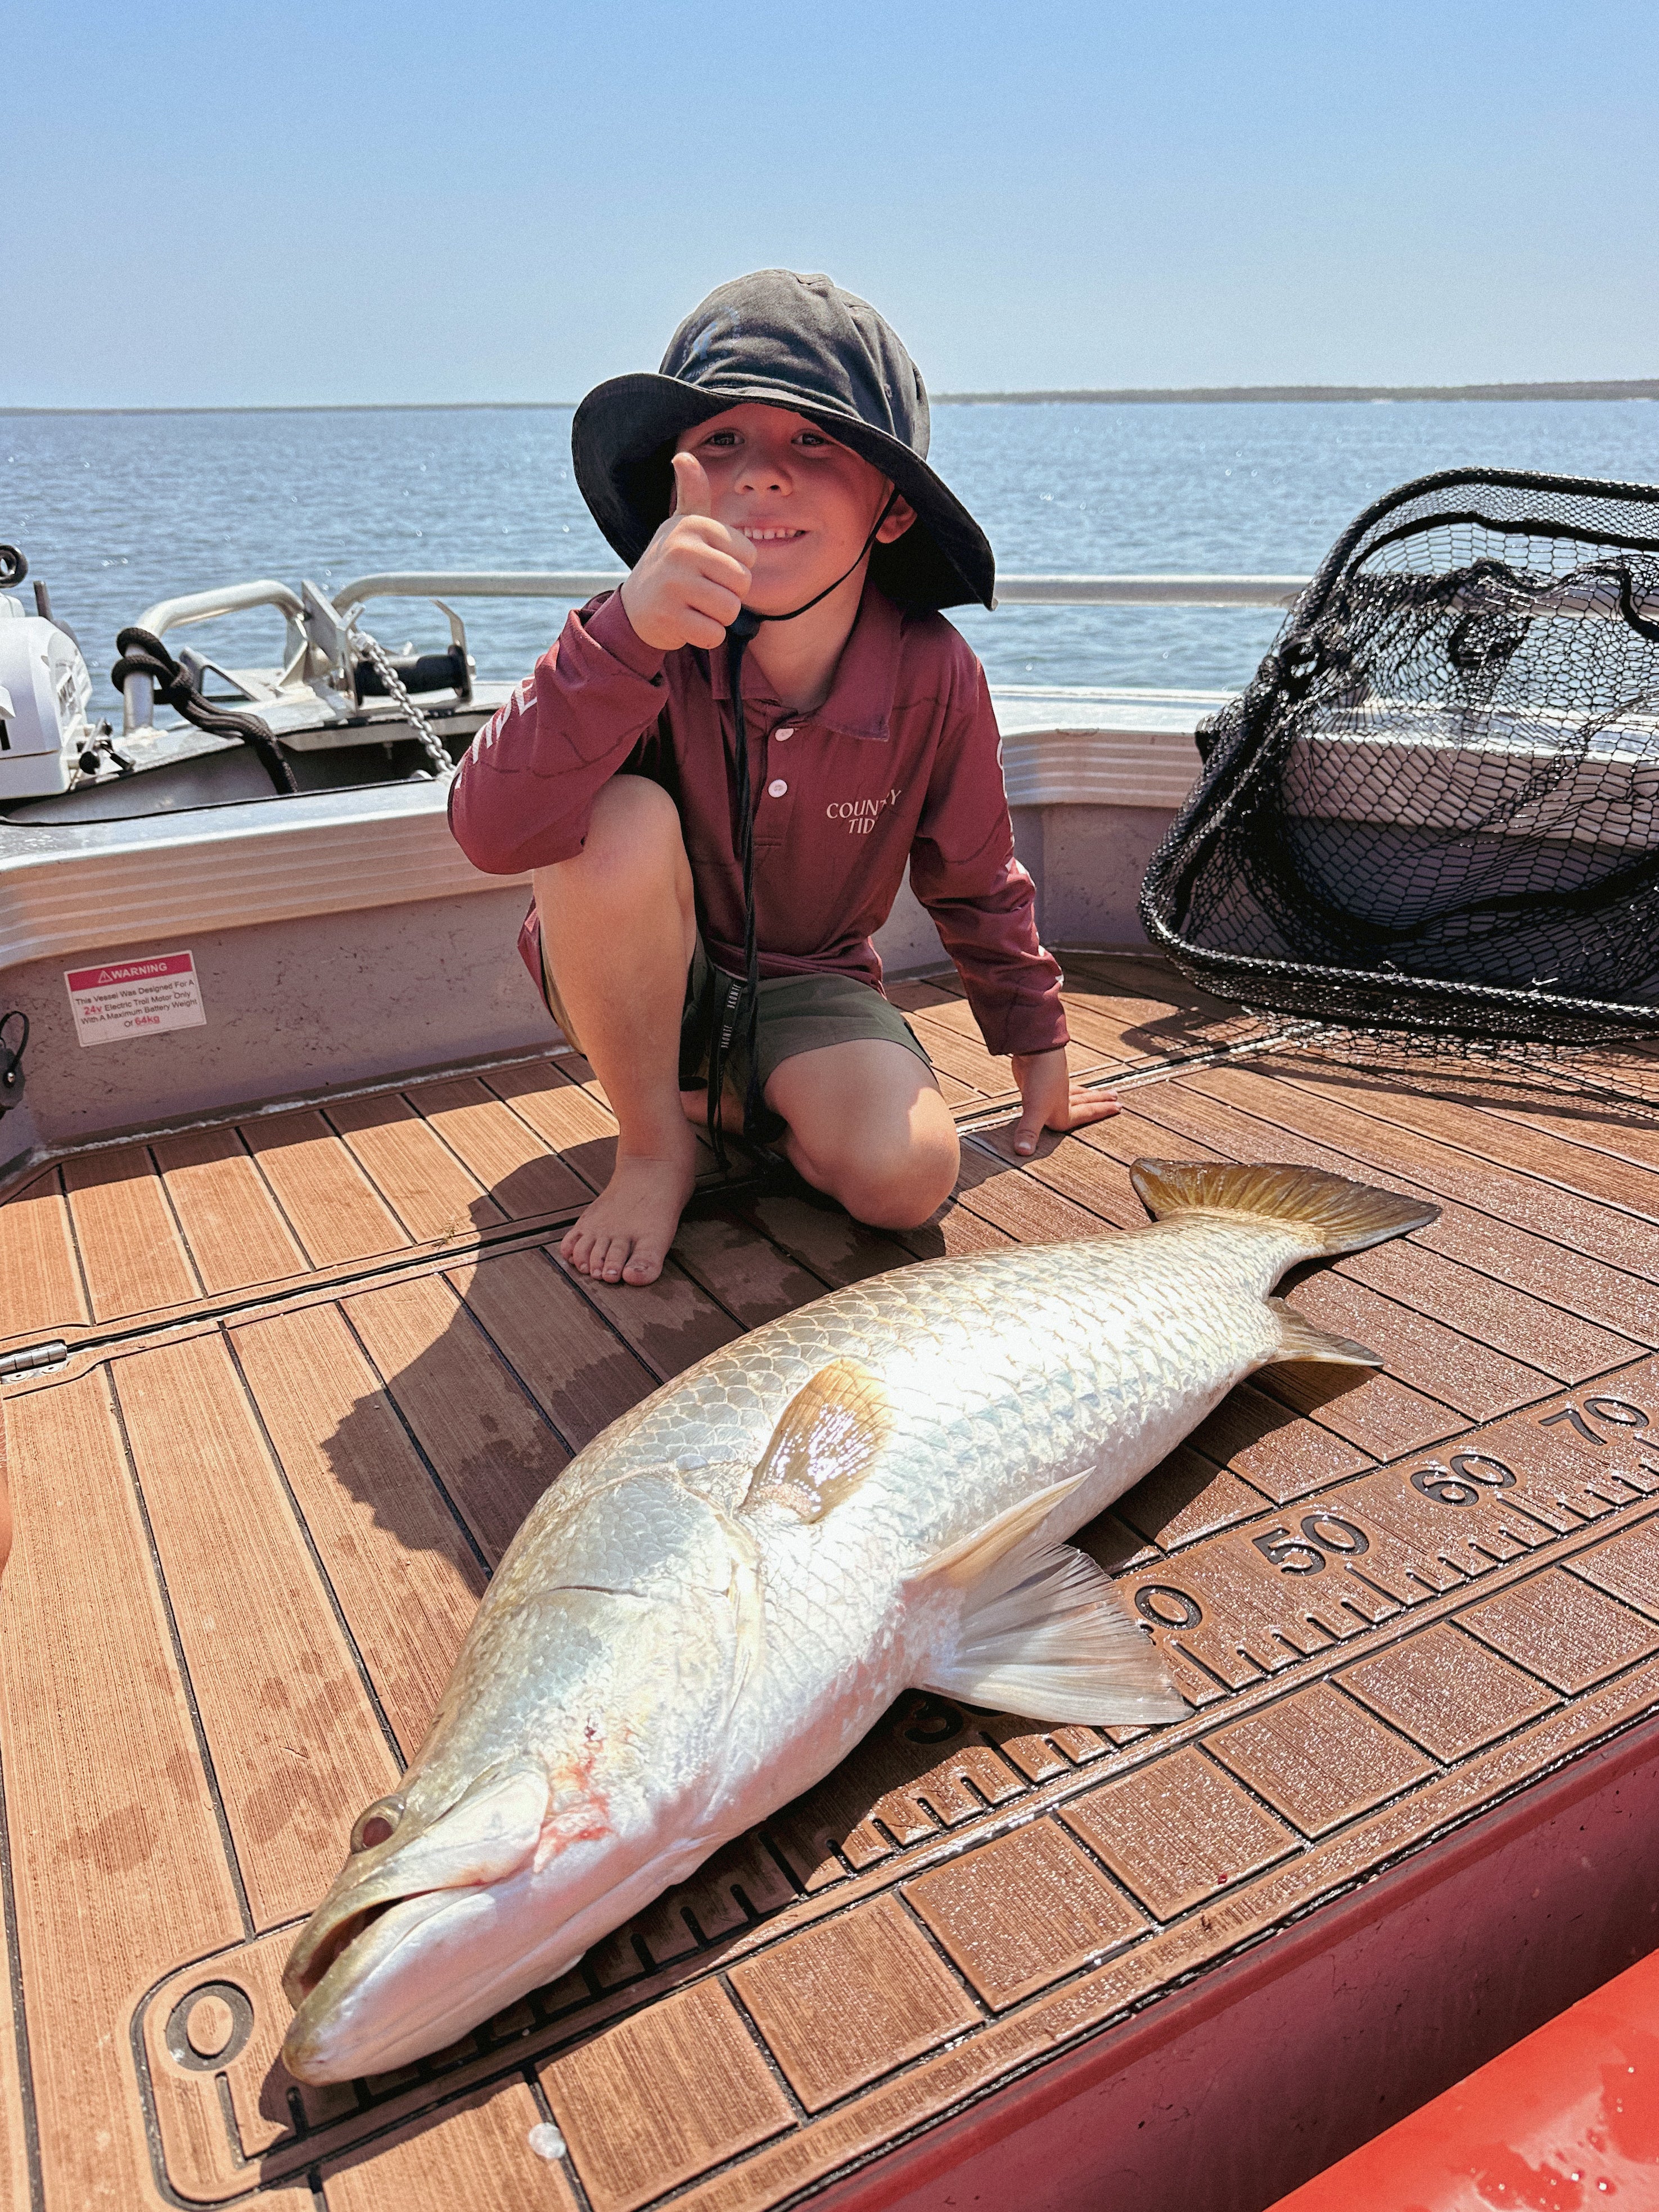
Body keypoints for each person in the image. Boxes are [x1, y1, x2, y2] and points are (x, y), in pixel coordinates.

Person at [449, 269, 1117, 1288]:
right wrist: (628, 631)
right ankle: (653, 1142)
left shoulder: (935, 670)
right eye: (722, 441)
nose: (761, 476)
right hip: (636, 985)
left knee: (907, 1178)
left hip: (808, 984)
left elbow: (975, 873)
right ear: (675, 485)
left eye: (814, 441)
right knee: (614, 819)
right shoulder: (625, 630)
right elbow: (495, 832)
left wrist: (1036, 1040)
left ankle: (734, 1105)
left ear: (892, 510)